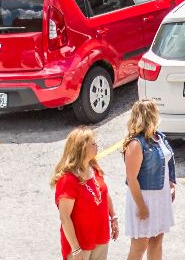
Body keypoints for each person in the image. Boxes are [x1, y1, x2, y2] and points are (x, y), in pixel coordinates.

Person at [122, 100, 176, 260]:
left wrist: (171, 184)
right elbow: (131, 179)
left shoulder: (159, 137)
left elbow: (166, 163)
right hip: (144, 198)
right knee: (139, 247)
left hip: (160, 198)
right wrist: (141, 206)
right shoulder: (136, 144)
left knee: (157, 242)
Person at [53, 127, 117, 260]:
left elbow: (104, 194)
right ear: (82, 149)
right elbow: (65, 217)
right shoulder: (67, 180)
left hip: (100, 237)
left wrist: (113, 217)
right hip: (80, 244)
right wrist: (75, 249)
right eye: (93, 144)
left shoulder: (93, 169)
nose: (97, 146)